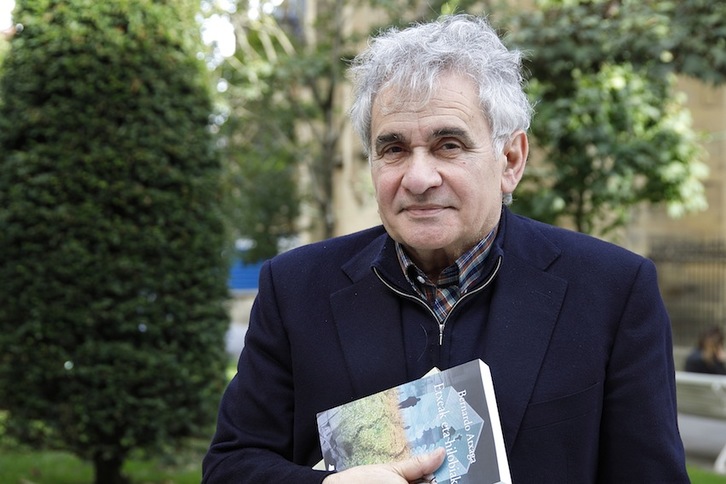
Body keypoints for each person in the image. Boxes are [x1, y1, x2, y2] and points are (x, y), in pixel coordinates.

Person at [202, 14, 689, 483]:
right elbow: (231, 466)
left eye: (449, 145)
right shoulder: (296, 289)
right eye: (393, 149)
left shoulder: (611, 293)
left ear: (510, 160)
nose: (418, 178)